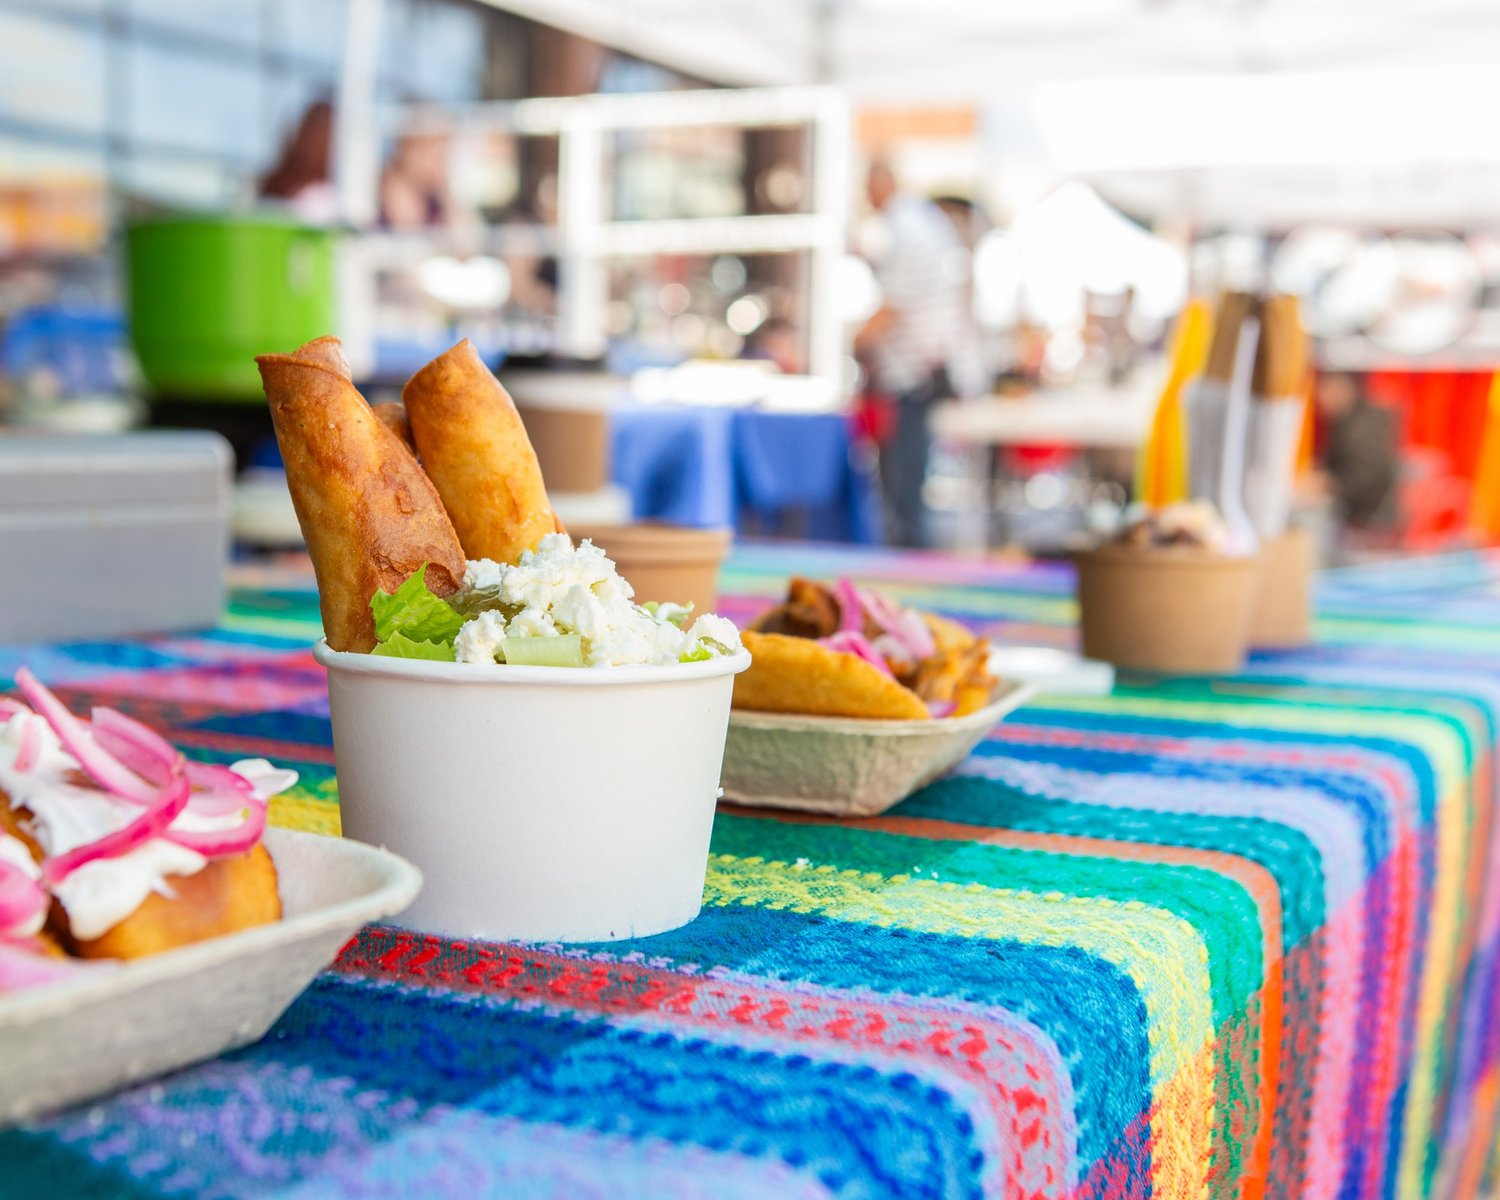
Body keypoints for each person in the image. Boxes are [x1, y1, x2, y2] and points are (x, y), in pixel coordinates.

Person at [856, 161, 973, 547]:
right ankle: (909, 545)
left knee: (904, 473)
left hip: (913, 367)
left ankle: (908, 551)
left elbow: (894, 304)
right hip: (925, 360)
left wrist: (856, 340)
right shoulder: (921, 221)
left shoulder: (905, 227)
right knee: (908, 470)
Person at [1316, 371, 1399, 529]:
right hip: (1360, 516)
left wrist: (1330, 483)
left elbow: (1367, 472)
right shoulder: (1346, 420)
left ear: (1344, 387)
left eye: (1325, 389)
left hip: (1370, 519)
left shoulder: (1364, 424)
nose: (1321, 397)